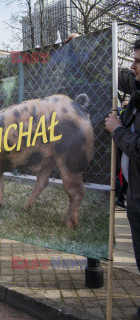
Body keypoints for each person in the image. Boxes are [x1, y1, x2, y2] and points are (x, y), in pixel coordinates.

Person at [104, 39, 140, 320]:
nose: (133, 66)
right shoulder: (138, 92)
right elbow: (119, 74)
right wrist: (87, 47)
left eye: (139, 61)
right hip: (134, 197)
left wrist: (117, 130)